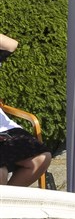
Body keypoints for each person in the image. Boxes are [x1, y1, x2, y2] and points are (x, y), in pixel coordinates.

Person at [0, 33, 52, 187]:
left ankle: (9, 203)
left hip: (3, 128)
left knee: (41, 157)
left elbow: (11, 44)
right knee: (0, 172)